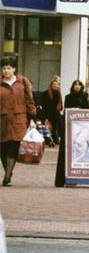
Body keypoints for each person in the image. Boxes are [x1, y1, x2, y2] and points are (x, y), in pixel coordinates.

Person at [0, 57, 36, 186]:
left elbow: (29, 100)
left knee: (13, 147)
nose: (6, 71)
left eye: (9, 68)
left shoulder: (22, 82)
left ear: (14, 69)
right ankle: (8, 172)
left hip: (18, 120)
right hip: (2, 120)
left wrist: (32, 118)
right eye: (4, 68)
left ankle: (7, 176)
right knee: (3, 149)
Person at [37, 76, 64, 147]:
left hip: (55, 113)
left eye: (57, 84)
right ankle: (49, 139)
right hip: (47, 113)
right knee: (48, 127)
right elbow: (43, 103)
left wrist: (59, 108)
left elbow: (60, 103)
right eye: (54, 84)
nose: (56, 86)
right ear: (51, 84)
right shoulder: (46, 93)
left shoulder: (59, 93)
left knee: (56, 126)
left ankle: (55, 139)